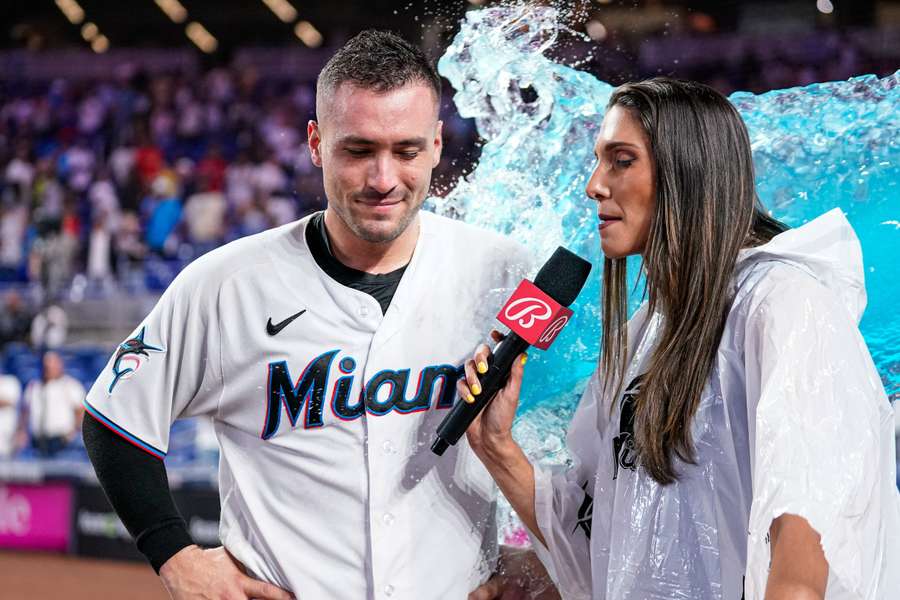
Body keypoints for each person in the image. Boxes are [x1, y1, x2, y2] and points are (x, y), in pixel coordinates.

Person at [82, 31, 557, 600]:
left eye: (406, 151)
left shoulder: (504, 271)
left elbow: (564, 426)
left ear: (436, 144)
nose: (383, 179)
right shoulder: (226, 285)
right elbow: (113, 420)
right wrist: (175, 556)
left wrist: (551, 556)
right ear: (315, 142)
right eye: (358, 151)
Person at [459, 78, 900, 599]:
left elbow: (806, 546)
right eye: (599, 159)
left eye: (622, 160)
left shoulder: (783, 303)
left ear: (686, 172)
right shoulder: (647, 331)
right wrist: (496, 446)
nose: (594, 185)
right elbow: (602, 546)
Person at [23, 351, 85, 457]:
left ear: (60, 365)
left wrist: (72, 433)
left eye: (52, 364)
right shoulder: (34, 386)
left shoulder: (70, 385)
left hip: (62, 441)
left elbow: (81, 412)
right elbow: (25, 412)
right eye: (46, 364)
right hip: (37, 440)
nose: (49, 367)